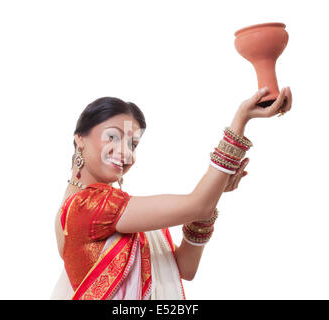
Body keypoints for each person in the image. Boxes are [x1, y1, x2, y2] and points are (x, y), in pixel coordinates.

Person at [50, 86, 293, 300]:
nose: (125, 153)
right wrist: (241, 118)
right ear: (80, 138)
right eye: (112, 136)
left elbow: (185, 268)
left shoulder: (111, 211)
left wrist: (214, 195)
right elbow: (197, 205)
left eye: (133, 144)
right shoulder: (87, 207)